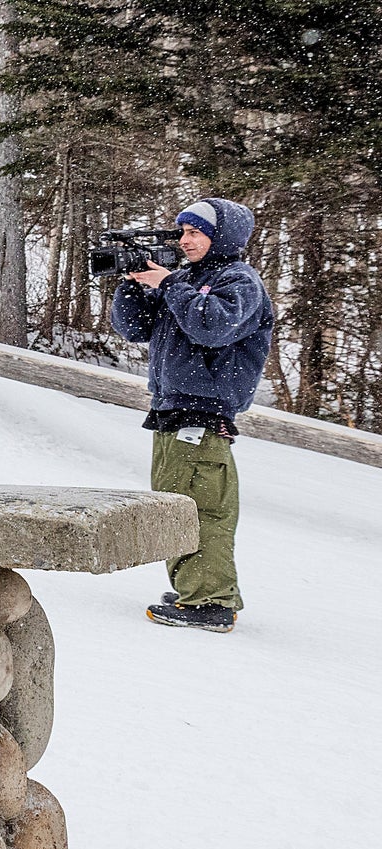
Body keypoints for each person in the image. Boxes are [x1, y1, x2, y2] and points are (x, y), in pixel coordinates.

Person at [111, 197, 275, 634]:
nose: (185, 241)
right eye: (182, 232)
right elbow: (136, 328)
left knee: (198, 510)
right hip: (171, 409)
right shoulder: (186, 279)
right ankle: (197, 589)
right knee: (176, 505)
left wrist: (168, 285)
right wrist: (131, 282)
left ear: (222, 236)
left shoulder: (240, 282)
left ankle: (209, 603)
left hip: (202, 414)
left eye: (195, 232)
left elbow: (213, 325)